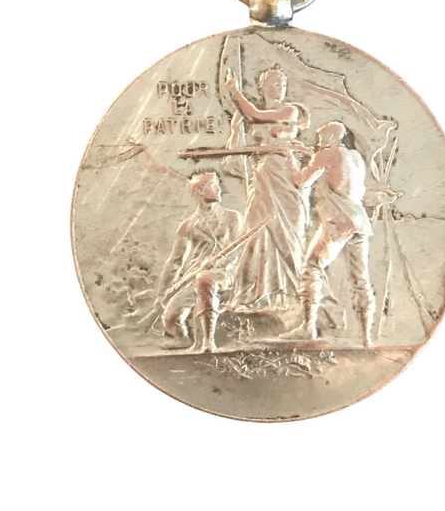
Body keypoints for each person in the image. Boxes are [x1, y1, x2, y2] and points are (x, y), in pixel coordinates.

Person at [282, 121, 376, 346]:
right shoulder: (355, 156)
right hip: (359, 221)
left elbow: (300, 181)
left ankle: (308, 327)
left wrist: (289, 156)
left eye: (322, 134)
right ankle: (366, 337)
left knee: (311, 268)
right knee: (361, 279)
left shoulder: (325, 154)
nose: (318, 139)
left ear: (334, 135)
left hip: (338, 221)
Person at [224, 68, 311, 310]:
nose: (279, 88)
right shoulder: (255, 113)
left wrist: (234, 91)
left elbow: (256, 115)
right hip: (263, 172)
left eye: (282, 84)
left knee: (287, 231)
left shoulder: (289, 110)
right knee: (257, 228)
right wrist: (236, 126)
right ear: (262, 88)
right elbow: (246, 126)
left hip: (285, 173)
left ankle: (297, 294)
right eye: (273, 84)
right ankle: (252, 293)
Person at [152, 171, 242, 352]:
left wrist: (218, 263)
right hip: (193, 275)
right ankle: (182, 339)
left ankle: (208, 340)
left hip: (225, 272)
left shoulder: (232, 217)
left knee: (205, 280)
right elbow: (175, 261)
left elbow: (239, 250)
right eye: (214, 185)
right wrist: (162, 293)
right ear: (200, 191)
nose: (220, 189)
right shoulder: (188, 225)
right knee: (170, 317)